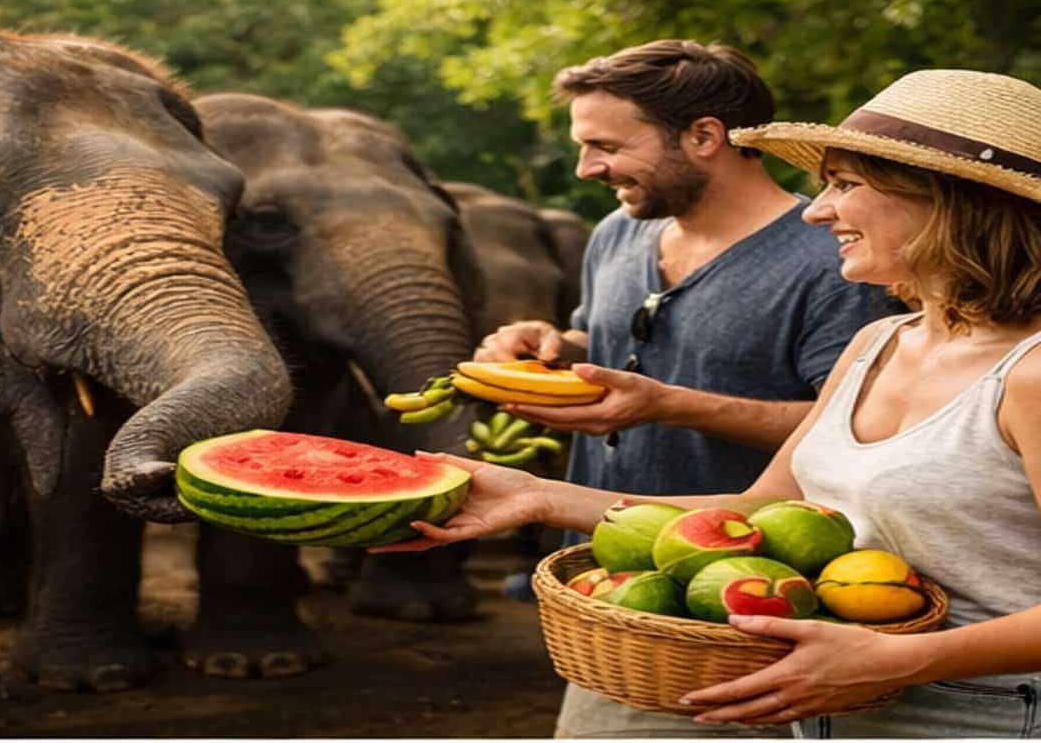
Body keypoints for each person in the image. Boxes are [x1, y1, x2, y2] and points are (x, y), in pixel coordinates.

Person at [373, 68, 1041, 738]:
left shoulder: (1030, 374)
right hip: (841, 709)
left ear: (950, 200)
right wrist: (539, 496)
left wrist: (904, 659)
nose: (815, 211)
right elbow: (758, 511)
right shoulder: (879, 342)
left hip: (989, 715)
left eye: (844, 185)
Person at [473, 39, 904, 737]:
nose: (587, 168)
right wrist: (554, 348)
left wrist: (668, 405)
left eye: (605, 145)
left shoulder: (836, 262)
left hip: (749, 610)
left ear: (704, 135)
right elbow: (613, 342)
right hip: (614, 590)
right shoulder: (617, 232)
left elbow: (853, 433)